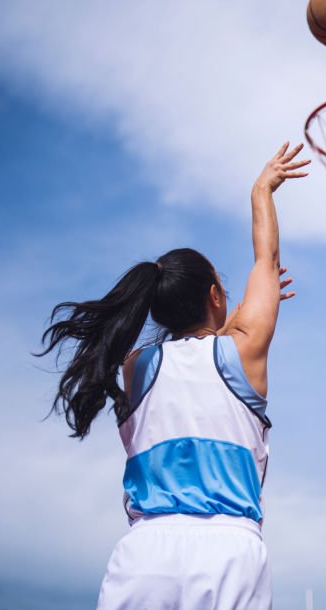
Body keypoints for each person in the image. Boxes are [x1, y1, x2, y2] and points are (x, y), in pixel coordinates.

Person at [37, 143, 310, 609]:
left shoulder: (135, 366)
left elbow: (193, 359)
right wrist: (261, 190)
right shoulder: (244, 350)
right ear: (215, 296)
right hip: (228, 551)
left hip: (146, 552)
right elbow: (266, 260)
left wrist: (226, 326)